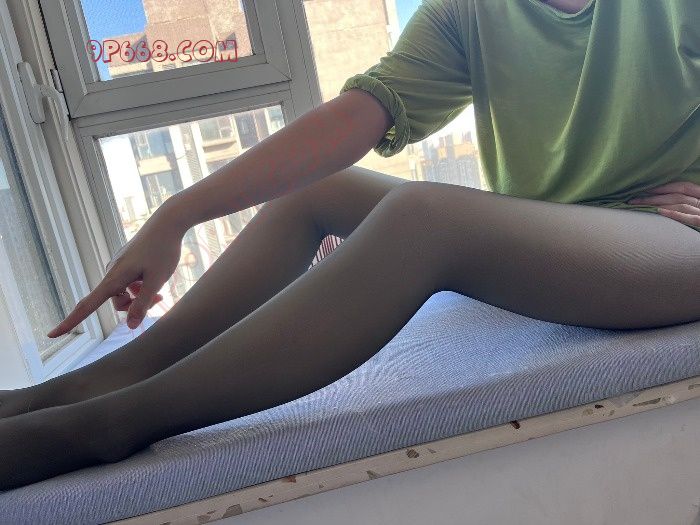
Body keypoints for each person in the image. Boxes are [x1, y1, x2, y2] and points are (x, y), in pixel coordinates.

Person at [1, 0, 698, 490]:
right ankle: (88, 384)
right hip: (561, 231)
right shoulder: (472, 12)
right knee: (319, 190)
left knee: (426, 215)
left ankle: (110, 424)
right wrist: (175, 216)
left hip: (673, 240)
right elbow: (357, 117)